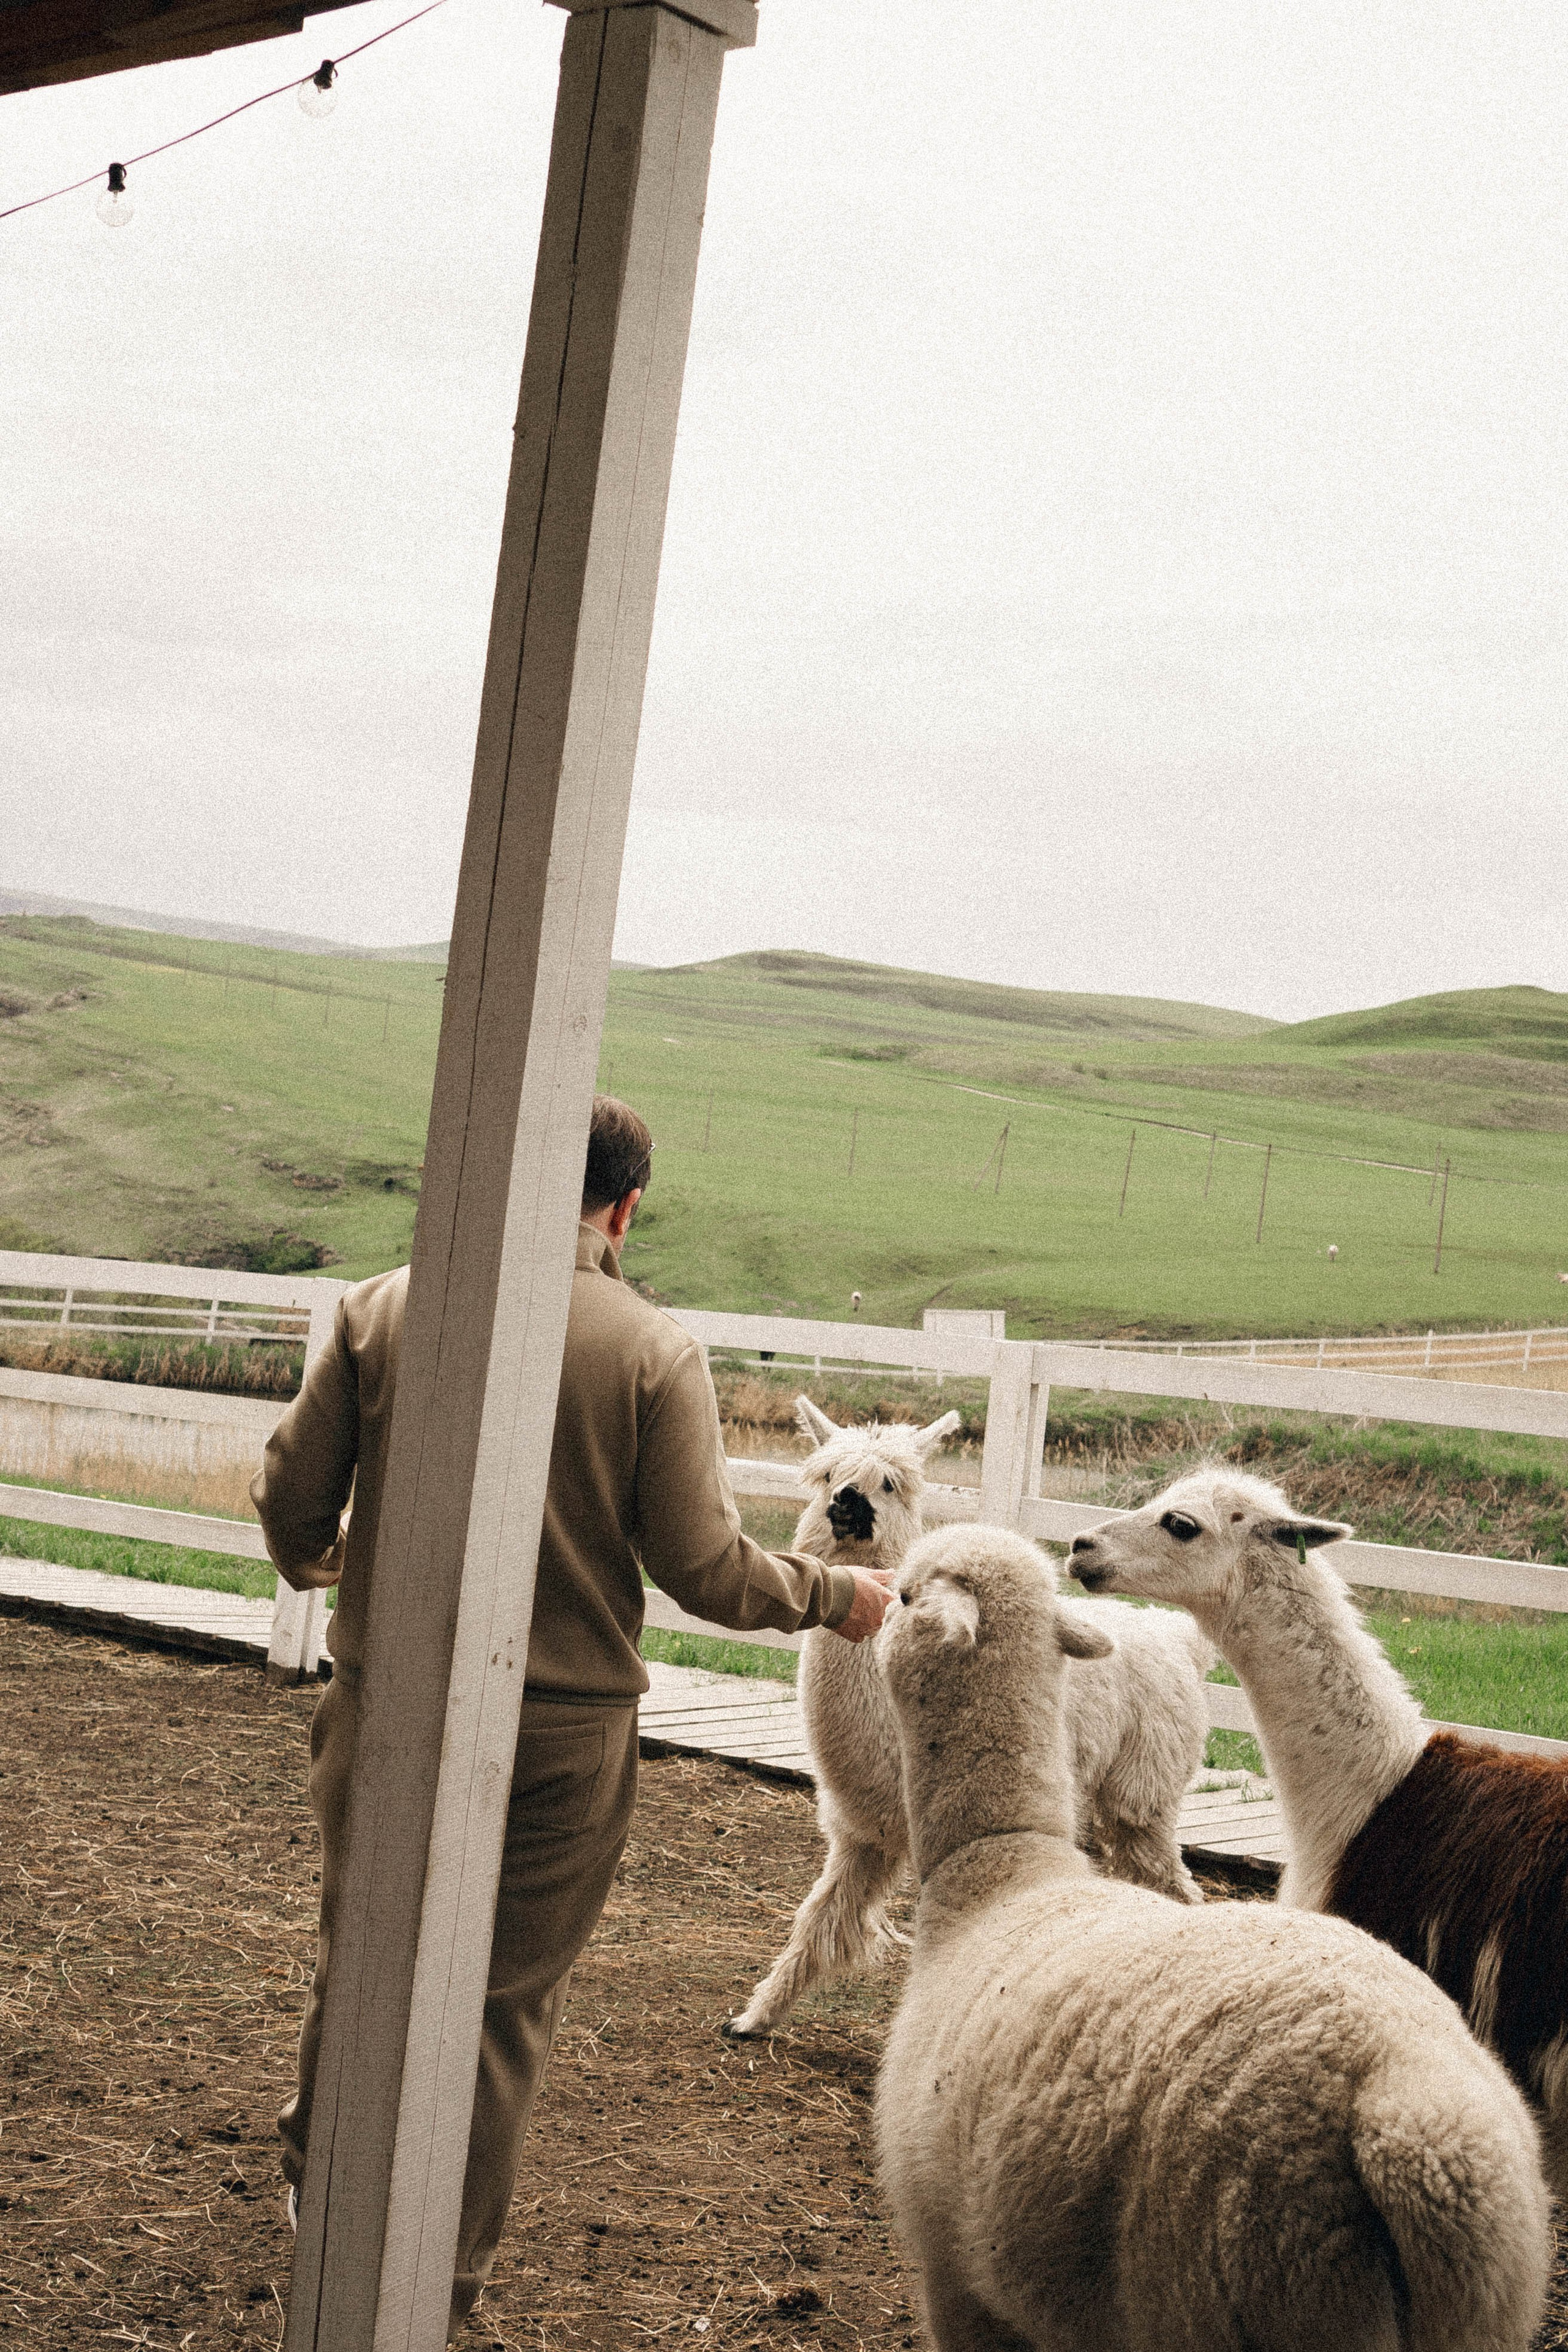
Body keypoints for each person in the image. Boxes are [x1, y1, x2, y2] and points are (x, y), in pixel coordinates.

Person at [251, 1096, 892, 2339]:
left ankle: (313, 2189)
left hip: (382, 1701)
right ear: (624, 1205)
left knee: (360, 1951)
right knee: (497, 2009)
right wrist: (830, 1596)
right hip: (563, 1736)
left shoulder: (383, 1304)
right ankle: (434, 2292)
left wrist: (317, 1561)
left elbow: (289, 1484)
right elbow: (703, 1569)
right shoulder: (651, 1350)